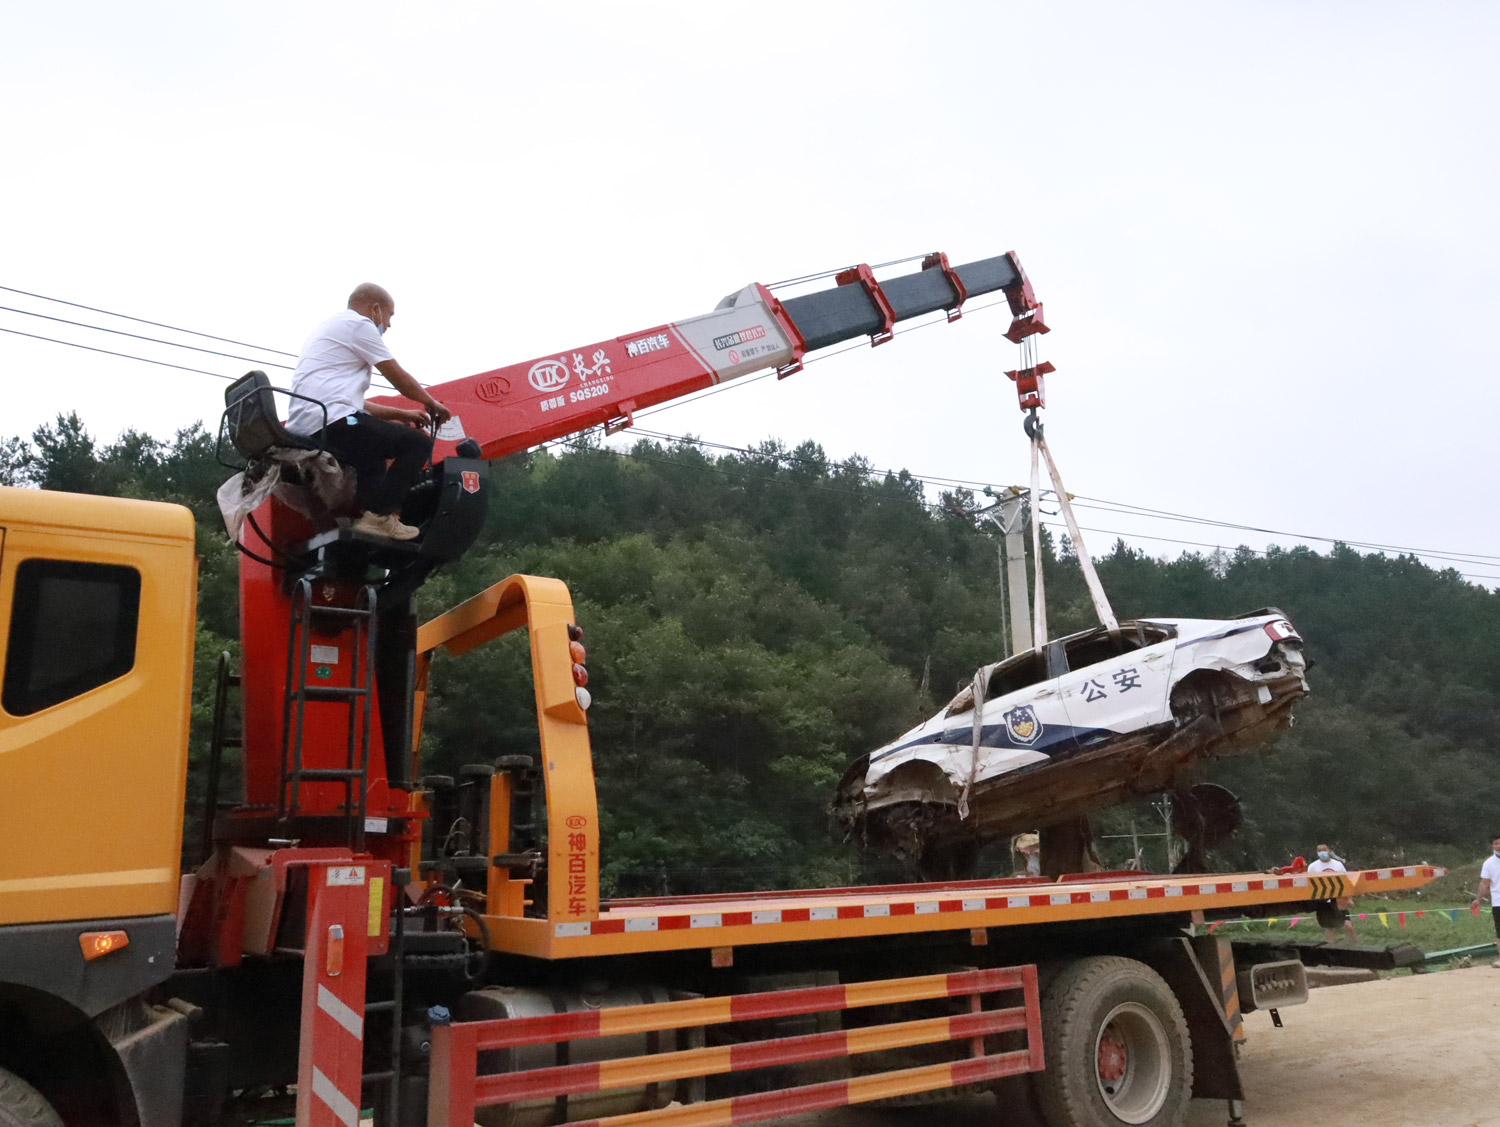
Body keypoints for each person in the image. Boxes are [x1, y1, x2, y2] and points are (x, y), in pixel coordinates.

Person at [286, 283, 451, 541]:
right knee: (416, 442)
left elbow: (355, 404)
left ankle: (369, 518)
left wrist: (404, 414)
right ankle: (381, 516)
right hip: (335, 422)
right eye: (389, 315)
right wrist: (431, 402)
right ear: (375, 309)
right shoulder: (359, 325)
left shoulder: (331, 329)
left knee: (372, 452)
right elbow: (396, 375)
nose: (389, 324)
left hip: (316, 424)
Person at [1307, 843, 1358, 942]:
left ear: (1329, 850)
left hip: (1339, 900)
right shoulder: (1312, 867)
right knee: (1329, 928)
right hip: (1322, 901)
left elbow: (1347, 882)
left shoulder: (1338, 865)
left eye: (1324, 850)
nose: (1322, 852)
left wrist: (1349, 898)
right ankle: (1331, 947)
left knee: (1348, 926)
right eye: (1319, 850)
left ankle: (1355, 945)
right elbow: (1309, 885)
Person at [1470, 834, 1500, 969]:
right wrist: (1478, 899)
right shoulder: (1488, 863)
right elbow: (1484, 883)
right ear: (1492, 846)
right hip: (1498, 902)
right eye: (1496, 844)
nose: (1499, 846)